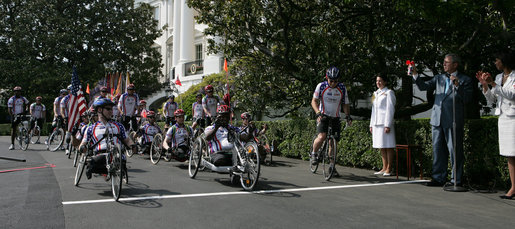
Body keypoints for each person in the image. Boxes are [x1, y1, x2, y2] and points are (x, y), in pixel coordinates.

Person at [411, 53, 473, 187]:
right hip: (437, 119)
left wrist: (457, 86)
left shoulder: (465, 79)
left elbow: (467, 99)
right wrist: (415, 74)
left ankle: (456, 179)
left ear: (455, 64)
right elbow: (423, 86)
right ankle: (439, 177)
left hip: (453, 120)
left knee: (454, 150)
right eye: (443, 62)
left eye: (447, 62)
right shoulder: (439, 78)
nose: (444, 64)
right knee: (438, 149)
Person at [477, 50, 515, 199]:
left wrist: (493, 83)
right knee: (509, 155)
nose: (495, 63)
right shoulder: (499, 77)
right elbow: (492, 99)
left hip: (513, 118)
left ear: (504, 61)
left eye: (497, 60)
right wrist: (485, 85)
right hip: (503, 118)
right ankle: (513, 187)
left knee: (513, 153)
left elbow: (512, 95)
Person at [79, 98, 136, 180]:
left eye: (112, 109)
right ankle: (90, 167)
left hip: (117, 155)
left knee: (121, 160)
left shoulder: (119, 126)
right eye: (108, 109)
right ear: (99, 110)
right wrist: (82, 148)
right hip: (100, 156)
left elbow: (127, 140)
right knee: (93, 164)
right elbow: (83, 143)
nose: (111, 111)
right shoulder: (91, 128)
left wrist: (133, 146)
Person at [310, 67, 352, 175]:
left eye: (335, 81)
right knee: (322, 136)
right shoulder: (321, 86)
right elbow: (314, 101)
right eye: (331, 80)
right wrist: (318, 113)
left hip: (335, 117)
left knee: (333, 143)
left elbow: (345, 104)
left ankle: (332, 167)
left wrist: (347, 116)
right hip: (323, 115)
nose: (333, 83)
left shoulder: (342, 88)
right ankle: (314, 154)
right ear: (326, 78)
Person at [369, 74, 396, 176]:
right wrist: (371, 124)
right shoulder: (375, 94)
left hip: (385, 123)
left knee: (388, 146)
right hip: (377, 123)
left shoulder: (389, 93)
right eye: (377, 81)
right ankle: (384, 167)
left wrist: (387, 124)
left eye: (380, 81)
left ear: (385, 82)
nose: (378, 83)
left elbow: (390, 109)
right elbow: (373, 110)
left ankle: (389, 167)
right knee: (381, 146)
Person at [204, 105, 242, 172]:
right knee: (221, 160)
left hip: (233, 153)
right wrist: (216, 127)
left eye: (226, 116)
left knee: (242, 159)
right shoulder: (210, 128)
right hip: (218, 153)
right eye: (222, 116)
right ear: (217, 117)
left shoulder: (232, 128)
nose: (224, 118)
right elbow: (207, 138)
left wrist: (250, 133)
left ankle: (234, 165)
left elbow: (243, 137)